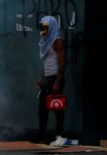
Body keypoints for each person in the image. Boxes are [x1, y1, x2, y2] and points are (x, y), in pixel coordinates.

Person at [36, 15, 67, 146]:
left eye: (45, 27)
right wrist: (40, 80)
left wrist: (58, 82)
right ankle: (43, 136)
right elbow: (46, 64)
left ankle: (59, 136)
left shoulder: (57, 42)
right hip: (47, 79)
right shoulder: (45, 42)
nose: (42, 30)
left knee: (57, 107)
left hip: (55, 78)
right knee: (42, 109)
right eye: (41, 27)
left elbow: (62, 63)